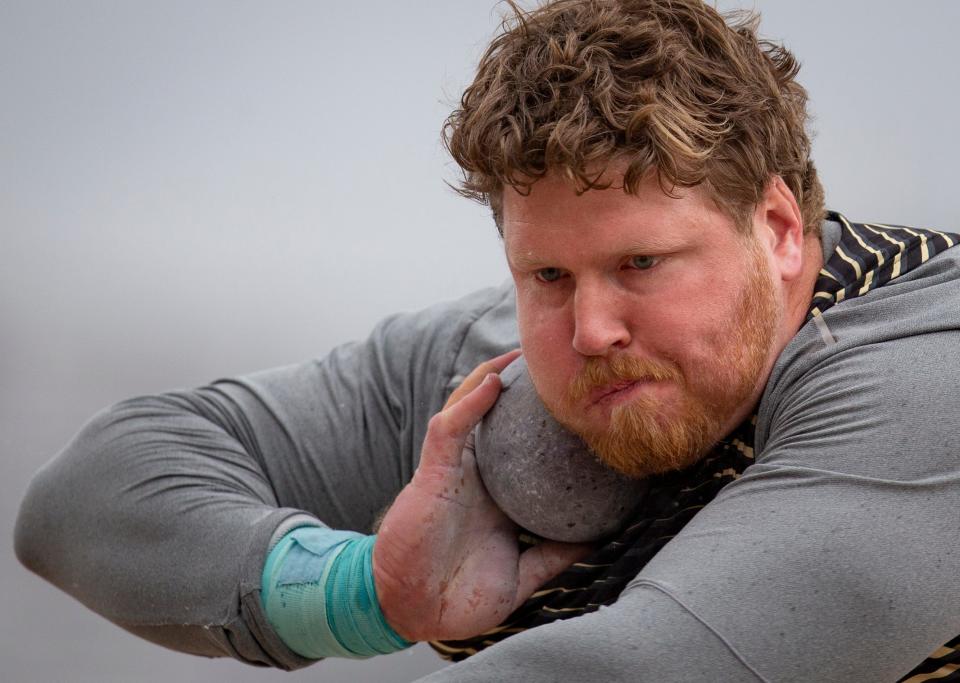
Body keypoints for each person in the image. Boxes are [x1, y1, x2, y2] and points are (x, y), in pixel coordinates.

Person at [14, 0, 960, 681]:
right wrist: (363, 593)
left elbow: (646, 663)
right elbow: (86, 497)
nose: (590, 330)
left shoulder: (930, 365)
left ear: (781, 229)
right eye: (547, 275)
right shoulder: (486, 374)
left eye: (641, 263)